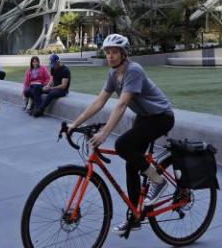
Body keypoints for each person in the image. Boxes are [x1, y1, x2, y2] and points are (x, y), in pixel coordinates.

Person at [67, 33, 174, 236]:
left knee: (122, 146)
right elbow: (99, 102)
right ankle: (134, 217)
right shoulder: (113, 75)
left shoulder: (134, 71)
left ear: (124, 54)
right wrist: (75, 123)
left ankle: (159, 181)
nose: (110, 56)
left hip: (161, 117)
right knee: (131, 163)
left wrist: (105, 133)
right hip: (144, 116)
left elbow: (122, 104)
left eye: (115, 52)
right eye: (107, 52)